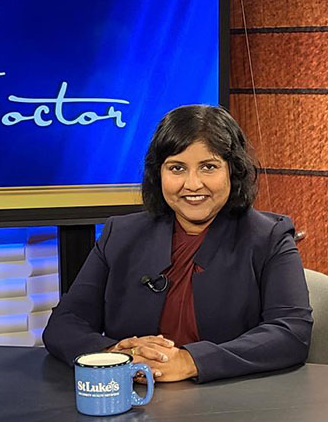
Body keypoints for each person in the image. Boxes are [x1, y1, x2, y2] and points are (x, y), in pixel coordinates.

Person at [43, 105, 312, 382]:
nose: (192, 184)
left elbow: (291, 332)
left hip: (231, 404)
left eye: (209, 167)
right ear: (158, 173)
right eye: (177, 168)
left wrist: (190, 361)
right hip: (132, 402)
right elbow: (64, 324)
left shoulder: (269, 238)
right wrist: (115, 353)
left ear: (233, 171)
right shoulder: (120, 235)